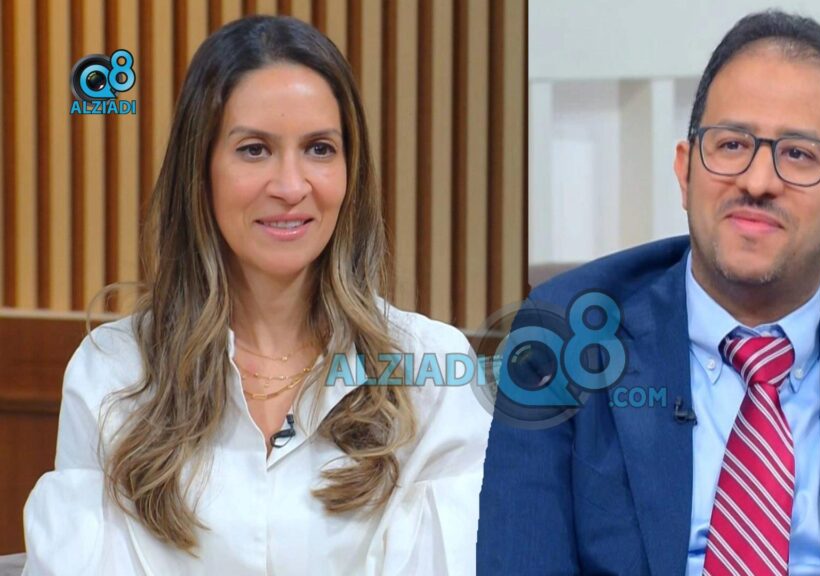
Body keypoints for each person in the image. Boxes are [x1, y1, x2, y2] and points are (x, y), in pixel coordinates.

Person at [477, 10, 820, 575]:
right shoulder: (563, 337)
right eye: (732, 144)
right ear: (686, 171)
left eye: (799, 154)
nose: (758, 182)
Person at [23, 16, 489, 575]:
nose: (291, 186)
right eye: (254, 150)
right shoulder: (111, 372)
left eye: (319, 148)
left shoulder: (432, 368)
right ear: (201, 171)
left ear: (350, 171)